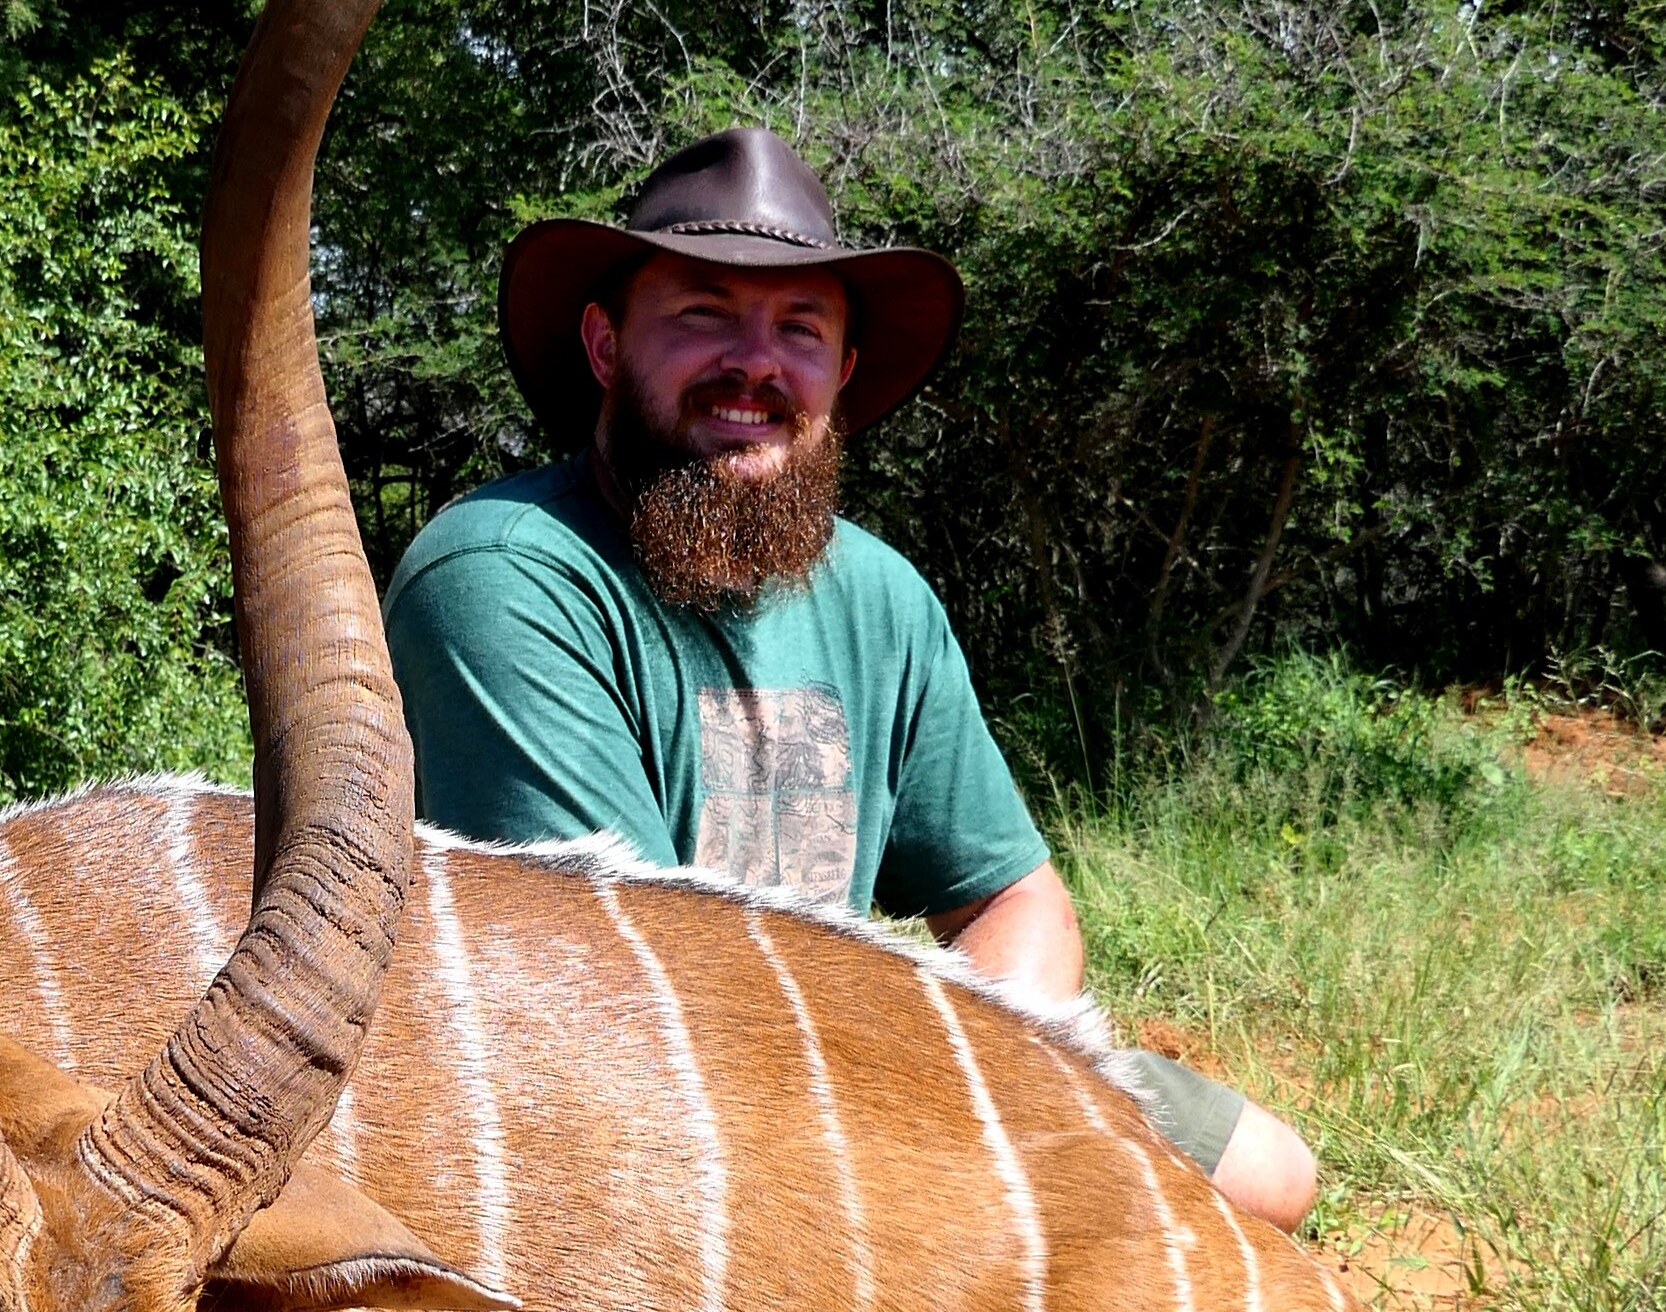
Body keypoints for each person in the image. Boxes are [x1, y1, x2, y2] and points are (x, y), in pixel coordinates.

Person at [380, 123, 1322, 1227]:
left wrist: (973, 1090)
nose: (755, 364)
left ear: (842, 372)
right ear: (603, 343)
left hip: (877, 1074)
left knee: (1266, 1172)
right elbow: (619, 990)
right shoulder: (505, 574)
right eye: (701, 315)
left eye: (799, 327)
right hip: (614, 1118)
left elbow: (1015, 901)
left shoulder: (876, 594)